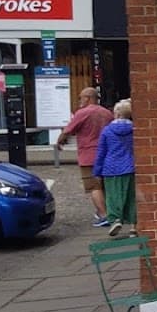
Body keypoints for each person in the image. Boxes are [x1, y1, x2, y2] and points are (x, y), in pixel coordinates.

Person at [55, 87, 114, 226]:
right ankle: (111, 213)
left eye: (81, 98)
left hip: (89, 155)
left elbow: (68, 130)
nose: (80, 100)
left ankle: (104, 215)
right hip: (106, 154)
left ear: (88, 98)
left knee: (94, 187)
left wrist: (59, 142)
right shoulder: (107, 113)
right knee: (105, 186)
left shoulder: (82, 113)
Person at [93, 98, 136, 237]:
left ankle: (116, 220)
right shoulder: (134, 129)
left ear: (116, 114)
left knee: (112, 196)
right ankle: (134, 226)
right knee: (131, 196)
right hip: (130, 166)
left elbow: (101, 152)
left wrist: (97, 171)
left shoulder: (107, 131)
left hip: (111, 168)